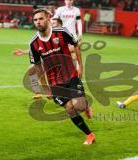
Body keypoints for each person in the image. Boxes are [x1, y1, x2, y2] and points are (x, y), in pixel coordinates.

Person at [29, 8, 95, 145]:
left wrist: (80, 66)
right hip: (54, 82)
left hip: (71, 74)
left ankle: (86, 106)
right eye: (35, 20)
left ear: (48, 18)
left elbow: (76, 46)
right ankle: (89, 135)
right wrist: (45, 87)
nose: (38, 22)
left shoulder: (62, 32)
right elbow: (38, 66)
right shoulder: (33, 43)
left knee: (79, 106)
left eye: (41, 18)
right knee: (70, 109)